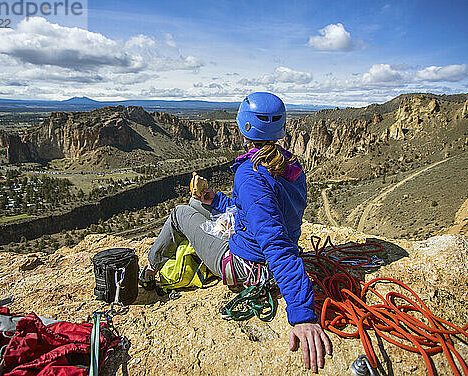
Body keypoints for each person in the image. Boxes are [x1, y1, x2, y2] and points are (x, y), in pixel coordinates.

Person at [142, 92, 332, 372]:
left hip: (245, 266)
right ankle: (200, 210)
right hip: (258, 251)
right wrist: (215, 201)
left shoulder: (250, 173)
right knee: (197, 202)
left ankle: (148, 270)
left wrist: (303, 315)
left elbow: (277, 245)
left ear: (244, 127)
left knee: (181, 213)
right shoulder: (289, 164)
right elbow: (256, 208)